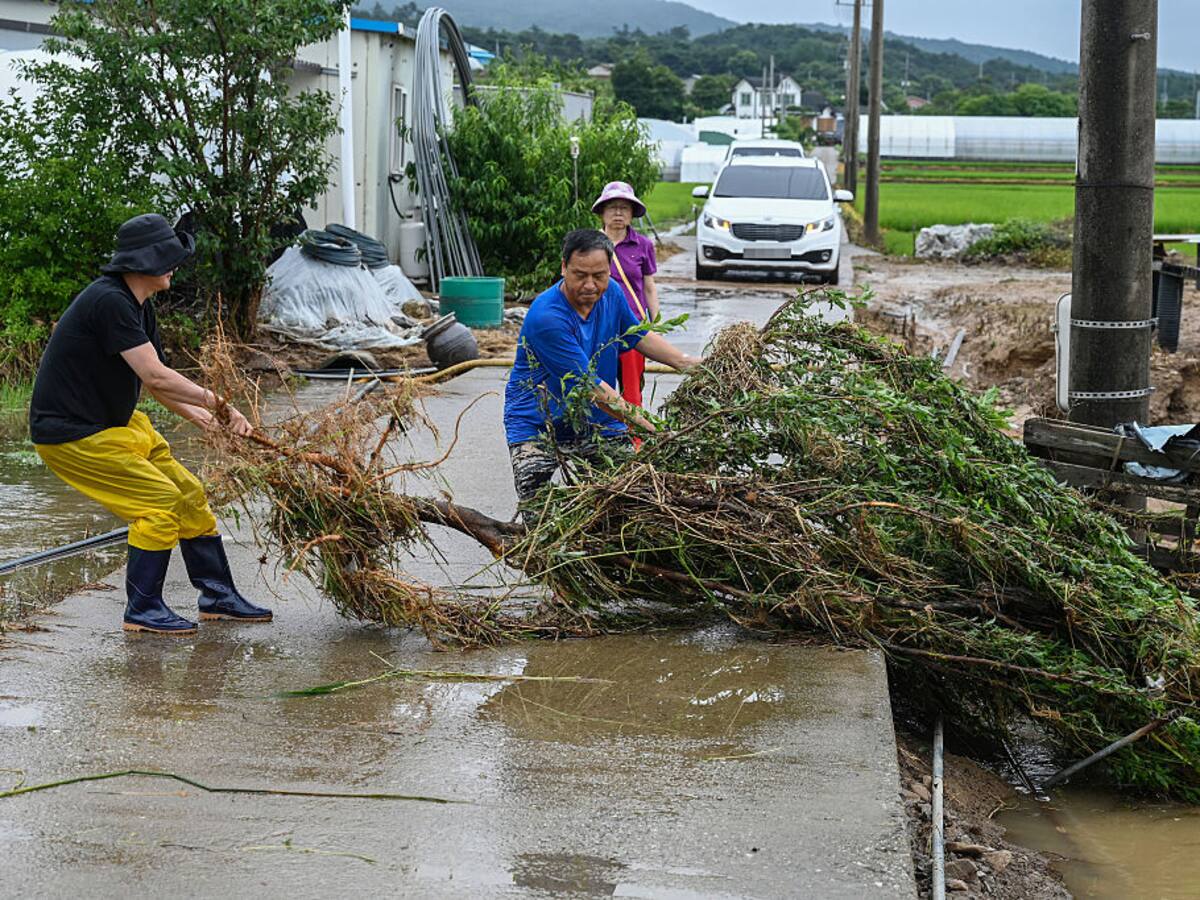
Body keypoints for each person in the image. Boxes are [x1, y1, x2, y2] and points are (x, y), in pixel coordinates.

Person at [29, 213, 270, 635]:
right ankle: (142, 610)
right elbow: (158, 377)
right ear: (146, 263)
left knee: (189, 494)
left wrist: (201, 417)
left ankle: (217, 597)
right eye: (169, 258)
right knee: (158, 504)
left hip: (117, 426)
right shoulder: (108, 302)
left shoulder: (139, 305)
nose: (174, 266)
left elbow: (152, 379)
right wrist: (220, 405)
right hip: (74, 435)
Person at [503, 229, 699, 505]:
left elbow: (636, 334)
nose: (590, 286)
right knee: (542, 516)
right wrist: (654, 429)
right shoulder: (547, 318)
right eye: (580, 275)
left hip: (598, 422)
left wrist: (686, 362)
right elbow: (592, 389)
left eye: (599, 276)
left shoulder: (613, 294)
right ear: (563, 267)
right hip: (538, 425)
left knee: (628, 503)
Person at [592, 181, 659, 409]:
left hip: (632, 327)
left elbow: (649, 286)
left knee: (631, 391)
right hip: (597, 326)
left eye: (624, 208)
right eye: (612, 207)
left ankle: (635, 440)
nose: (618, 213)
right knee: (597, 387)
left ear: (632, 214)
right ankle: (602, 436)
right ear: (602, 212)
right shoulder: (589, 244)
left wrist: (655, 324)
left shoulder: (643, 245)